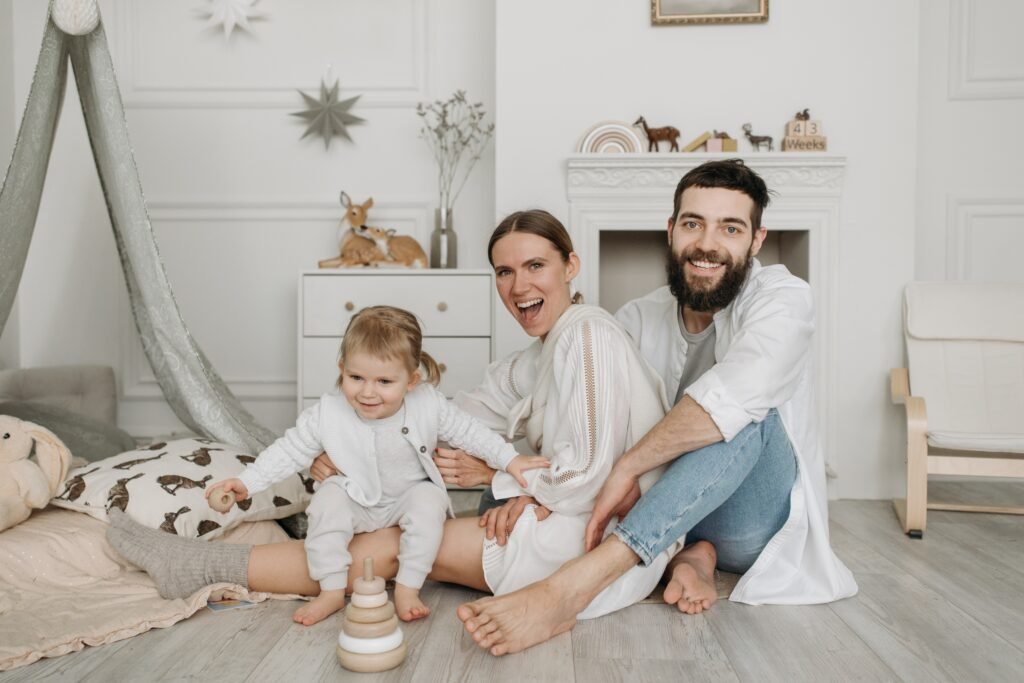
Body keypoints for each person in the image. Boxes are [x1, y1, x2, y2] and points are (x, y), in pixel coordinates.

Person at [105, 210, 681, 623]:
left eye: (535, 265)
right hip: (569, 515)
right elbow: (454, 415)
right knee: (388, 526)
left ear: (571, 265)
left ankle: (201, 564)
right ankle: (213, 563)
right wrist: (349, 437)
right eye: (504, 272)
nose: (518, 285)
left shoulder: (587, 334)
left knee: (392, 545)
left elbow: (591, 470)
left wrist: (511, 483)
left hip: (596, 540)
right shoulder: (537, 356)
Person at [456, 159, 858, 655]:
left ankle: (575, 586)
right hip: (660, 510)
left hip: (746, 521)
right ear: (671, 230)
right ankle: (691, 557)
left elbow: (733, 398)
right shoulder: (636, 319)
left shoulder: (784, 298)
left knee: (749, 416)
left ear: (756, 240)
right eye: (692, 224)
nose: (707, 244)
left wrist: (628, 466)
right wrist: (535, 487)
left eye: (730, 228)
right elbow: (580, 411)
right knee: (497, 504)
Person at [201, 306, 548, 625]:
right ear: (342, 369)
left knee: (429, 503)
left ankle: (409, 586)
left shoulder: (428, 404)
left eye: (384, 382)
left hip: (407, 495)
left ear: (411, 380)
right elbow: (288, 450)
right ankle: (331, 589)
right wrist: (246, 482)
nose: (368, 392)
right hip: (355, 495)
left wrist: (510, 460)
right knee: (326, 506)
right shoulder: (328, 412)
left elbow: (470, 432)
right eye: (356, 378)